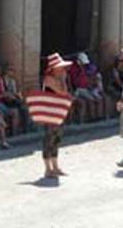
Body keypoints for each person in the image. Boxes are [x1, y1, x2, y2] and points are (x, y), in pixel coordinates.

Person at [40, 52, 73, 180]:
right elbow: (63, 92)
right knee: (49, 140)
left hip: (58, 112)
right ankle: (48, 169)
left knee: (56, 139)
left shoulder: (58, 79)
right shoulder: (49, 79)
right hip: (50, 113)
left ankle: (55, 166)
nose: (63, 69)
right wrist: (63, 79)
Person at [70, 53, 104, 123]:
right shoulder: (74, 69)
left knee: (98, 98)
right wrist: (81, 71)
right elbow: (76, 82)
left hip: (86, 88)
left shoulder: (85, 68)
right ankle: (91, 118)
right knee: (90, 100)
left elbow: (88, 79)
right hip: (79, 89)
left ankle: (97, 116)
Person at [2, 65, 30, 130]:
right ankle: (15, 130)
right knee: (16, 110)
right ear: (6, 71)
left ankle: (26, 127)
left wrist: (19, 96)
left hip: (15, 99)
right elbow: (3, 91)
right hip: (7, 99)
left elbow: (17, 91)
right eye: (10, 70)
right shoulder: (2, 80)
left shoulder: (14, 80)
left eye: (12, 70)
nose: (11, 72)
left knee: (25, 108)